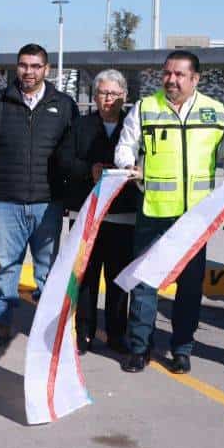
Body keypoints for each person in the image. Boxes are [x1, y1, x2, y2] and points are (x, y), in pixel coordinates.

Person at [115, 52, 224, 374]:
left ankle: (182, 349)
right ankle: (140, 348)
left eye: (179, 75)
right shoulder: (145, 108)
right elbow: (125, 146)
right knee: (144, 285)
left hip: (196, 219)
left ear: (195, 79)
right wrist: (127, 163)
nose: (171, 80)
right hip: (153, 212)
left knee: (189, 288)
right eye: (167, 74)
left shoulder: (214, 112)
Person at [0, 44, 79, 347]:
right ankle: (0, 322)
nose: (28, 72)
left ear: (47, 69)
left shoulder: (65, 105)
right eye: (23, 65)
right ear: (16, 67)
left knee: (47, 269)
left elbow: (74, 150)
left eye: (35, 66)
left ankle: (47, 327)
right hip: (7, 200)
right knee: (8, 266)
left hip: (49, 201)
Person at [54, 69, 142, 355]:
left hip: (124, 216)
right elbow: (63, 160)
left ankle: (117, 334)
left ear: (125, 96)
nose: (109, 99)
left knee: (119, 280)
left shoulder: (136, 125)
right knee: (86, 279)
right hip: (87, 215)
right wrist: (87, 170)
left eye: (115, 94)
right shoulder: (81, 126)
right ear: (95, 96)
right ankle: (84, 333)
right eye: (103, 93)